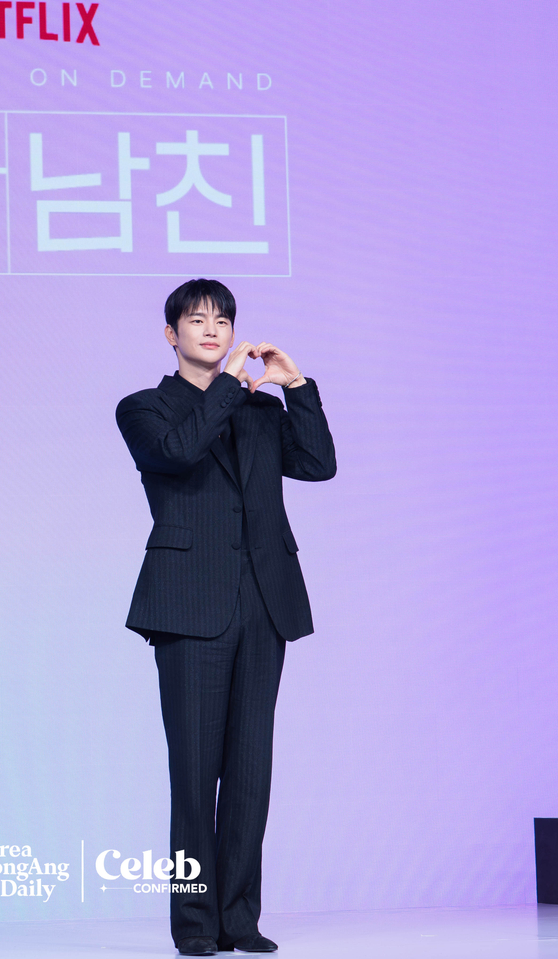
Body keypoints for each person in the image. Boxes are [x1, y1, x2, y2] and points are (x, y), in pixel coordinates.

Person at [116, 279, 336, 956]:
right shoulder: (144, 407)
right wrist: (229, 392)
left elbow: (319, 464)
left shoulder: (257, 410)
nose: (211, 329)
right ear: (171, 334)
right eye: (196, 319)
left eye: (222, 319)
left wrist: (294, 386)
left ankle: (239, 918)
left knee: (248, 770)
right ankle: (193, 923)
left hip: (262, 602)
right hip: (187, 605)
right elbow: (177, 453)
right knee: (193, 771)